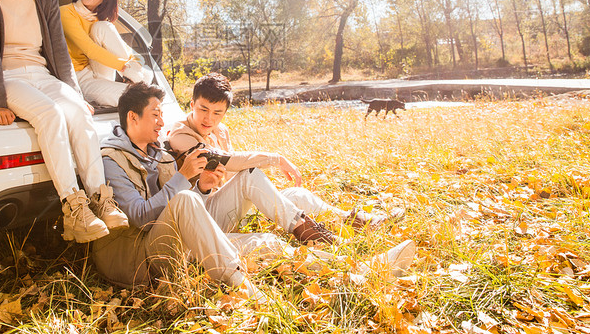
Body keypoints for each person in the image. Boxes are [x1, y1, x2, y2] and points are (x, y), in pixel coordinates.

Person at [93, 82, 385, 293]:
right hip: (144, 256)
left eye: (161, 113)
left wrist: (204, 188)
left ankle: (345, 264)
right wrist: (184, 179)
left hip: (183, 235)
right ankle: (241, 286)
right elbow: (143, 217)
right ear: (133, 117)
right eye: (155, 114)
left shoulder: (157, 152)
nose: (161, 121)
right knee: (186, 198)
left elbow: (180, 207)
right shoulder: (112, 159)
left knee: (265, 235)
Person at [0, 0, 128, 243]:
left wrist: (77, 96)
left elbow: (59, 54)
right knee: (50, 114)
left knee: (79, 115)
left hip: (43, 76)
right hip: (9, 77)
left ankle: (101, 198)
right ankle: (74, 208)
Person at [166, 73, 403, 229]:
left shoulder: (222, 130)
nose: (208, 118)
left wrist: (260, 194)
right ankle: (307, 231)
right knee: (251, 174)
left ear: (226, 112)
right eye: (202, 110)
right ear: (192, 105)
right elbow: (225, 161)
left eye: (217, 113)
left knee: (297, 195)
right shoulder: (180, 134)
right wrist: (275, 159)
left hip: (226, 205)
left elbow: (228, 177)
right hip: (202, 216)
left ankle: (358, 221)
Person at [60, 0, 152, 107]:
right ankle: (138, 81)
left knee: (103, 27)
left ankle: (139, 79)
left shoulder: (99, 21)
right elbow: (90, 50)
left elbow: (127, 51)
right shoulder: (66, 12)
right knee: (140, 98)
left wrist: (134, 65)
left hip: (98, 72)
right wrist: (125, 68)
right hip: (79, 79)